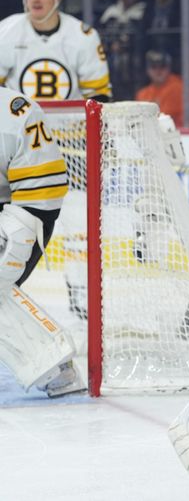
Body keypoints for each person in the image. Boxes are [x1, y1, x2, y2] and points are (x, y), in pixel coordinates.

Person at [0, 86, 83, 398]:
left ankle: (50, 362)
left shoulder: (16, 113)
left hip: (17, 213)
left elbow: (39, 202)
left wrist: (12, 244)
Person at [0, 0, 111, 101]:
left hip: (73, 121)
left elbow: (98, 94)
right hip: (20, 121)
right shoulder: (5, 32)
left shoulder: (84, 36)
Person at [135, 50, 184, 126]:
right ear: (148, 70)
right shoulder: (142, 93)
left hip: (175, 133)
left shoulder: (177, 87)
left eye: (162, 67)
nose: (158, 71)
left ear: (169, 68)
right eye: (154, 67)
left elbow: (165, 118)